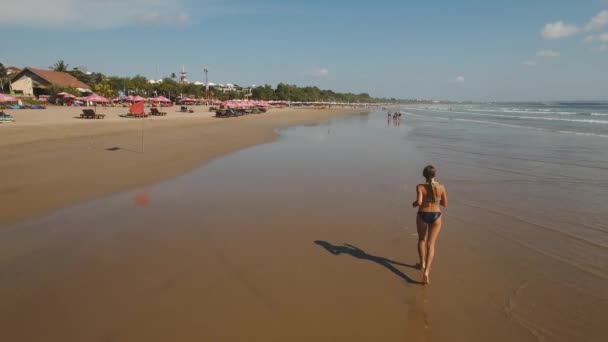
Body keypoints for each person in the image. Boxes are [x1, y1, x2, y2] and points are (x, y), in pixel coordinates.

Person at [412, 165, 448, 284]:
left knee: (422, 240)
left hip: (423, 214)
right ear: (435, 175)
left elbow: (419, 202)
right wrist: (435, 200)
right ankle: (426, 271)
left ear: (424, 175)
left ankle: (422, 263)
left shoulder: (420, 187)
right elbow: (445, 204)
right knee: (431, 244)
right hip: (436, 216)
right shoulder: (441, 187)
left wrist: (414, 204)